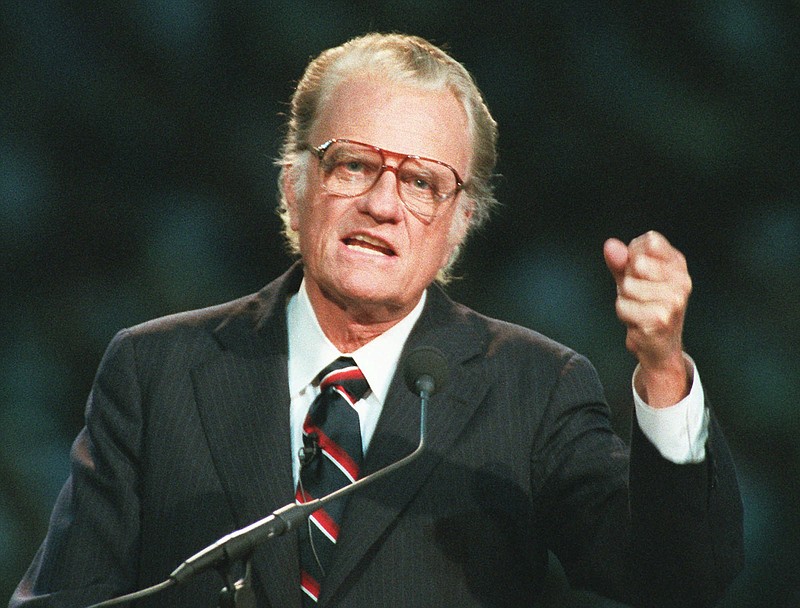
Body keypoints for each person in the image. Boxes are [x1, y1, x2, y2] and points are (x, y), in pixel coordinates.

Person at [10, 33, 743, 608]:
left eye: (422, 181)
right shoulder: (154, 371)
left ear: (458, 225)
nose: (383, 204)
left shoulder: (534, 388)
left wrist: (664, 370)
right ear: (293, 186)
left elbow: (677, 581)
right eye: (354, 165)